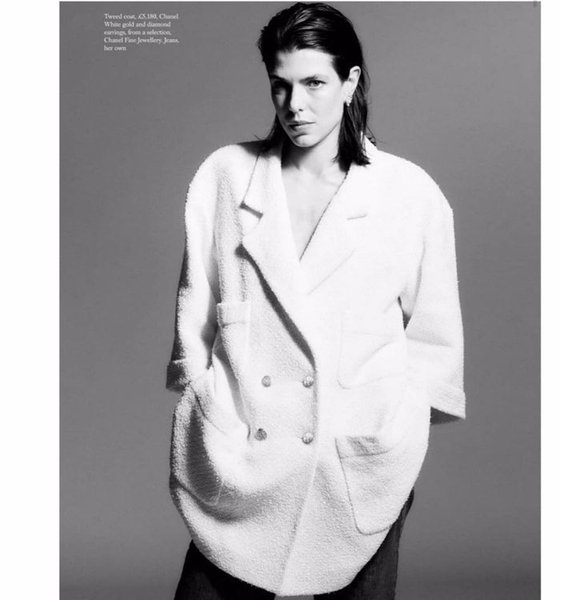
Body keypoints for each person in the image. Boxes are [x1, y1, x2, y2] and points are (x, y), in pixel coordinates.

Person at [166, 3, 465, 599]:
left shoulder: (408, 194)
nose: (294, 105)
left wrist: (396, 425)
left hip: (358, 461)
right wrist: (204, 401)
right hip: (245, 454)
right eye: (280, 85)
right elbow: (196, 309)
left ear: (350, 82)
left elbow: (435, 335)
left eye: (314, 84)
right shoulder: (225, 176)